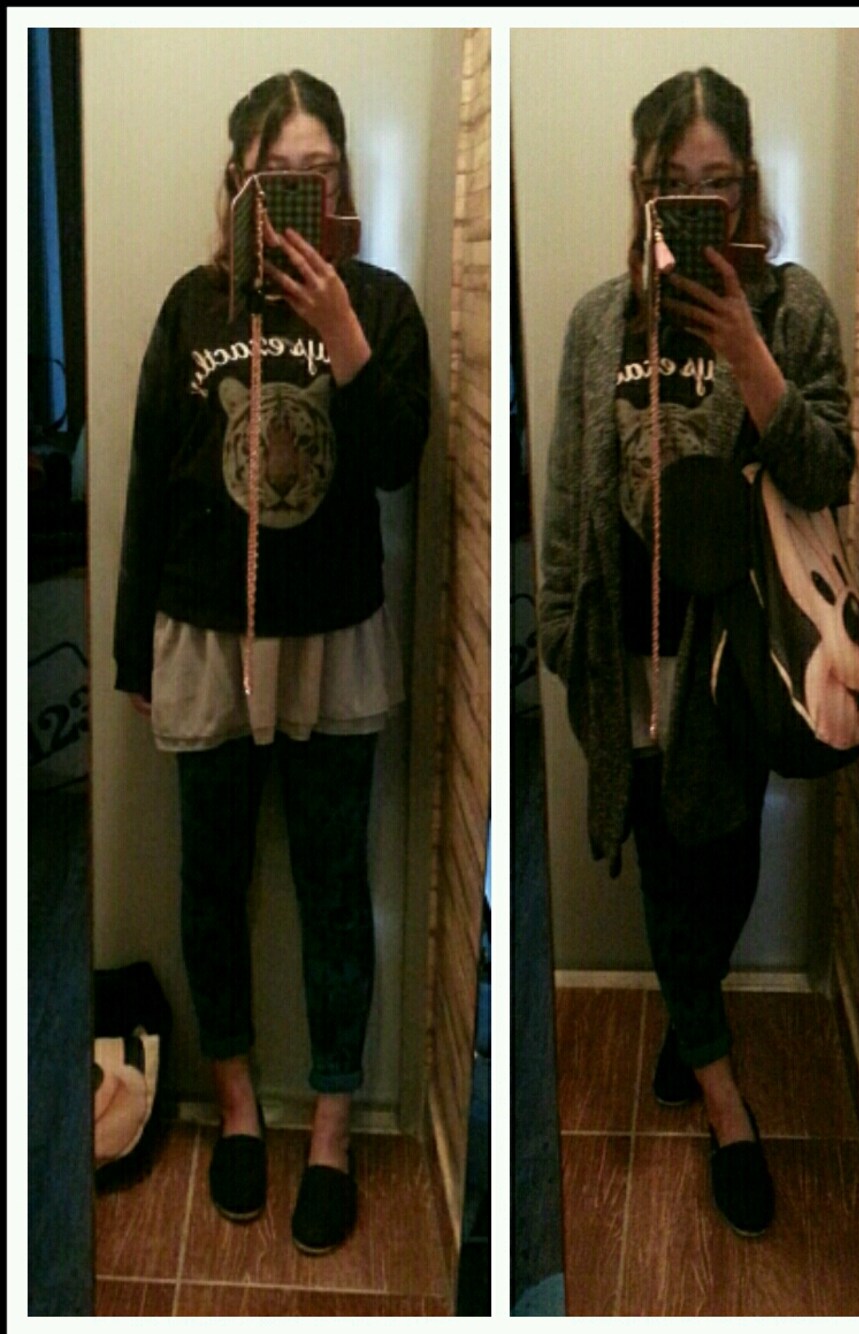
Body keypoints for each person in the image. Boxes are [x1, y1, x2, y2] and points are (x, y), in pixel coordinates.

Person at [113, 70, 430, 1254]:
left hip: (334, 643)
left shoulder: (382, 304)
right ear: (237, 185)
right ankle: (238, 1104)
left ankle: (333, 1126)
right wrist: (130, 647)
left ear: (341, 188)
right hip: (205, 636)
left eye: (319, 177)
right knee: (212, 879)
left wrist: (344, 336)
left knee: (335, 885)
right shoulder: (191, 306)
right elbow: (148, 480)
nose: (301, 195)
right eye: (276, 178)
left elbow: (397, 459)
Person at [538, 67, 854, 1237]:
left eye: (717, 184)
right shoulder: (597, 321)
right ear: (642, 187)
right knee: (669, 867)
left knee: (724, 865)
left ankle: (689, 1013)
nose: (697, 202)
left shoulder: (792, 308)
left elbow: (827, 472)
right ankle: (724, 1098)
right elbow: (569, 483)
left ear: (748, 187)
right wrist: (560, 624)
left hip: (735, 662)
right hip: (626, 653)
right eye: (675, 183)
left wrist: (751, 357)